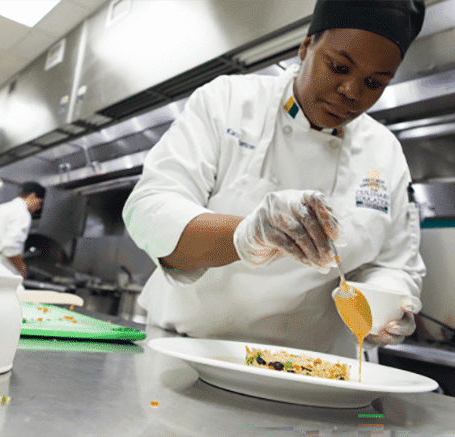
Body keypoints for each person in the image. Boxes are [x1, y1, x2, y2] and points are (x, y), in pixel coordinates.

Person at [122, 0, 427, 358]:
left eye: (375, 83)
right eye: (339, 66)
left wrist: (386, 302)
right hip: (188, 351)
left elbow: (395, 264)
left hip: (315, 368)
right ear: (305, 46)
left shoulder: (384, 151)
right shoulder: (228, 102)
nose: (352, 92)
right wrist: (244, 236)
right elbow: (150, 209)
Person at [0, 182, 45, 277]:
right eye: (40, 202)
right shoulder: (22, 213)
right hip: (0, 272)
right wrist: (22, 268)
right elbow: (10, 247)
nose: (39, 208)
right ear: (32, 196)